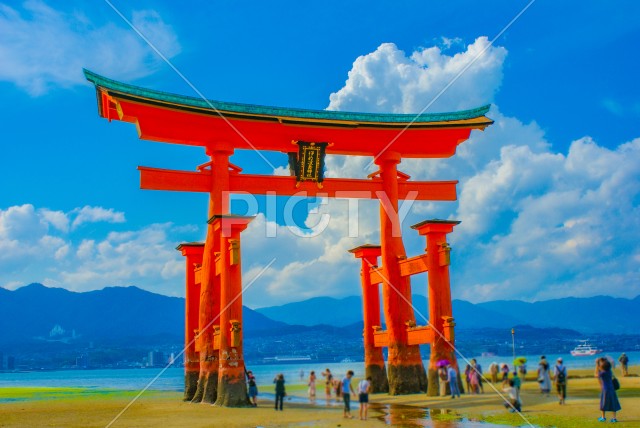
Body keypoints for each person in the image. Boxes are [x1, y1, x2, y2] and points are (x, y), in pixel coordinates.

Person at [596, 357, 621, 422]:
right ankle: (614, 418)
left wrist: (597, 364)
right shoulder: (609, 372)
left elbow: (596, 374)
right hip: (612, 389)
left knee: (603, 403)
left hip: (605, 390)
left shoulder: (602, 373)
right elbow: (608, 366)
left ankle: (603, 417)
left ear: (602, 367)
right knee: (613, 403)